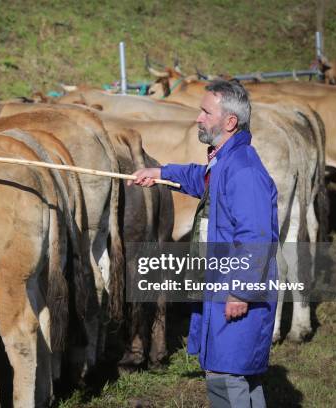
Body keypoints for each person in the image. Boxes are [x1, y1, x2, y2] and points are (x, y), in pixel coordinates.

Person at [129, 79, 278, 408]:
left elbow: (256, 237)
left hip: (239, 288)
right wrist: (160, 173)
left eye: (205, 112)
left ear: (229, 122)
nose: (198, 118)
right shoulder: (224, 162)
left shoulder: (244, 171)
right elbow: (202, 179)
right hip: (224, 281)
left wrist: (240, 291)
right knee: (238, 374)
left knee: (227, 377)